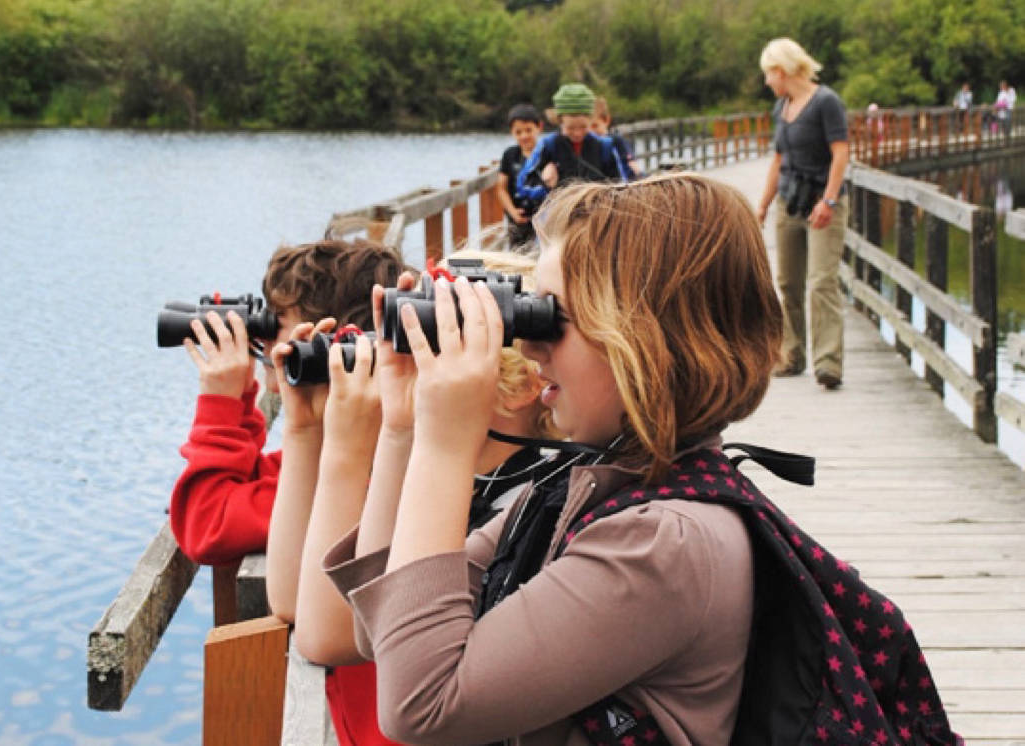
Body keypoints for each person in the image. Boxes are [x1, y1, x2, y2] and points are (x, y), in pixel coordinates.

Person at [321, 175, 962, 745]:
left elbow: (419, 707)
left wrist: (442, 441)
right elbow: (381, 631)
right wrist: (403, 425)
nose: (531, 344)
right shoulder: (589, 489)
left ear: (646, 340)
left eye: (553, 319)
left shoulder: (661, 543)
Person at [264, 250, 555, 743]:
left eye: (433, 342)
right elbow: (292, 601)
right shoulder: (433, 479)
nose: (402, 363)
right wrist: (304, 429)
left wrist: (345, 450)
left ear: (521, 385)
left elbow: (325, 636)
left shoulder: (512, 504)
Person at [168, 238, 405, 566]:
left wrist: (219, 404)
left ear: (324, 337)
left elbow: (207, 524)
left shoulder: (357, 471)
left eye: (276, 321)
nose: (262, 339)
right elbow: (250, 480)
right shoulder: (356, 441)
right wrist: (240, 397)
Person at [755, 37, 850, 390]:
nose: (767, 82)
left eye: (769, 74)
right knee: (787, 282)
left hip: (823, 201)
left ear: (782, 70)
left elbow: (840, 154)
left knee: (822, 281)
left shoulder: (826, 102)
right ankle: (791, 356)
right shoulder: (782, 108)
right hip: (789, 203)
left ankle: (828, 364)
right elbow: (778, 161)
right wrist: (763, 205)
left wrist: (829, 201)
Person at [514, 83, 630, 215]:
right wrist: (546, 185)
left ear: (591, 119)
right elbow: (522, 187)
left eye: (583, 127)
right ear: (559, 121)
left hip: (597, 217)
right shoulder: (548, 145)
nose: (577, 133)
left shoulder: (605, 146)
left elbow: (622, 186)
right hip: (557, 217)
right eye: (570, 128)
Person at [495, 104, 545, 249]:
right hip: (518, 219)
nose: (524, 136)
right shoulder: (510, 155)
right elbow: (501, 188)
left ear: (539, 127)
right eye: (518, 132)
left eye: (529, 130)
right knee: (517, 257)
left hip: (543, 219)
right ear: (512, 132)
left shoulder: (547, 153)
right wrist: (513, 212)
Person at [590, 95, 642, 177]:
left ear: (606, 120)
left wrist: (641, 177)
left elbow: (633, 165)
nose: (591, 131)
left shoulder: (616, 141)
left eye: (595, 126)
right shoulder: (588, 144)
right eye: (587, 128)